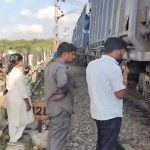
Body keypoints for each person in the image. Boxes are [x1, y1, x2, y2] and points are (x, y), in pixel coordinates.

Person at [86, 37, 129, 150]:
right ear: (117, 51)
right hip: (110, 114)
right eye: (122, 52)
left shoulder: (91, 64)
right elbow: (120, 94)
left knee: (102, 141)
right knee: (108, 145)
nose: (122, 55)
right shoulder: (113, 67)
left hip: (97, 111)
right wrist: (125, 79)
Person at [44, 42, 77, 150]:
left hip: (52, 108)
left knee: (53, 137)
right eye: (72, 54)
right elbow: (63, 83)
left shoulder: (50, 66)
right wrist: (64, 92)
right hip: (61, 110)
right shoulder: (61, 67)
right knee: (59, 141)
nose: (74, 57)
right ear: (65, 54)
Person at [6, 53, 34, 146]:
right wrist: (27, 103)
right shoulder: (17, 73)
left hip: (12, 98)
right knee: (23, 120)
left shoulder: (12, 71)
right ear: (18, 62)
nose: (23, 62)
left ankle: (13, 138)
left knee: (13, 120)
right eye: (21, 60)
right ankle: (14, 139)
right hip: (18, 99)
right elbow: (22, 89)